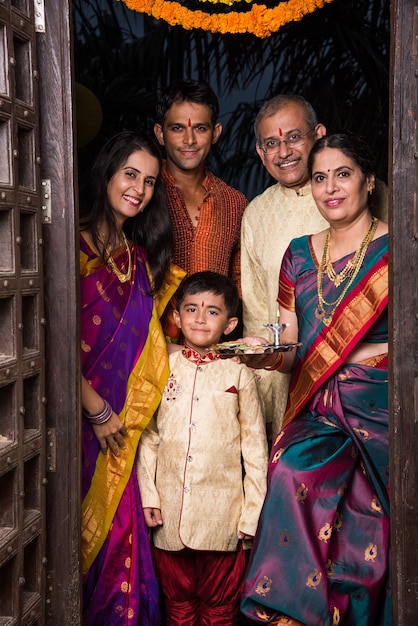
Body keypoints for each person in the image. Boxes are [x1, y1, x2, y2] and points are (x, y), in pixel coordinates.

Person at [239, 133, 390, 625]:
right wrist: (266, 359)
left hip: (383, 405)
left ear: (368, 180)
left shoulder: (399, 250)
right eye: (320, 177)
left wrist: (358, 355)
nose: (330, 188)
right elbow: (289, 347)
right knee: (289, 472)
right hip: (319, 406)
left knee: (366, 517)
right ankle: (289, 616)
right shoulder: (299, 255)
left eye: (343, 174)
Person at [80, 130, 185, 625]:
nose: (139, 190)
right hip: (78, 423)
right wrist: (95, 409)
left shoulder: (139, 259)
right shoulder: (69, 247)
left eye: (148, 182)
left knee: (120, 540)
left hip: (122, 432)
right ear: (106, 174)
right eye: (130, 175)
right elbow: (52, 337)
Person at [240, 94, 388, 441]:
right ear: (261, 152)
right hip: (295, 380)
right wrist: (261, 362)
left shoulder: (368, 199)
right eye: (271, 143)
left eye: (294, 137)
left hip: (373, 391)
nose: (284, 151)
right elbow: (256, 304)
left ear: (318, 135)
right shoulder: (255, 215)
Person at [137, 271, 268, 626]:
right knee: (177, 608)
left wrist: (251, 514)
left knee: (220, 611)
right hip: (170, 516)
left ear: (230, 324)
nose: (199, 317)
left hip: (223, 520)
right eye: (191, 309)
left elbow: (255, 451)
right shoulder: (164, 368)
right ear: (177, 318)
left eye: (212, 311)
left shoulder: (238, 374)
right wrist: (149, 495)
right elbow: (148, 437)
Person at [154, 79, 248, 340]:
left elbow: (240, 288)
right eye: (177, 128)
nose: (189, 139)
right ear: (160, 133)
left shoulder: (235, 203)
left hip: (214, 359)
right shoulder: (144, 193)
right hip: (148, 355)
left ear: (215, 133)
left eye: (200, 128)